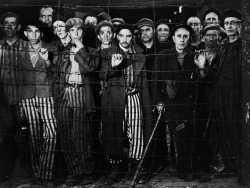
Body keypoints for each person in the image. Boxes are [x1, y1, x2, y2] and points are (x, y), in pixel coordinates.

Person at [99, 23, 153, 184]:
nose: (125, 39)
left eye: (128, 36)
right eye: (121, 35)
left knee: (136, 131)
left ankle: (136, 166)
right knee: (114, 130)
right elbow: (101, 75)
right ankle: (116, 168)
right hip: (115, 98)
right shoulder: (107, 53)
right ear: (116, 36)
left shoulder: (140, 54)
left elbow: (144, 82)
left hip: (134, 96)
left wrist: (147, 104)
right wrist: (113, 67)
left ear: (133, 37)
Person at [195, 9, 243, 178]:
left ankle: (243, 169)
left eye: (234, 22)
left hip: (237, 96)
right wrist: (202, 68)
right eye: (227, 23)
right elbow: (214, 74)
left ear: (241, 25)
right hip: (220, 96)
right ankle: (230, 167)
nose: (229, 26)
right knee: (223, 132)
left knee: (238, 132)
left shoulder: (244, 47)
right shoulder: (222, 47)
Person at [53, 17, 99, 186]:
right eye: (72, 30)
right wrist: (58, 96)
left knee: (82, 136)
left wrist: (80, 50)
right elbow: (56, 75)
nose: (75, 33)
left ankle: (88, 170)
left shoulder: (92, 51)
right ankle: (75, 171)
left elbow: (90, 69)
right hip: (65, 92)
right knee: (65, 135)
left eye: (79, 30)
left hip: (81, 93)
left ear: (83, 32)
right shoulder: (63, 51)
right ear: (69, 32)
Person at [151, 24, 198, 181]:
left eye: (185, 36)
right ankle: (184, 170)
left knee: (187, 136)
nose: (182, 40)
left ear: (189, 39)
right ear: (173, 38)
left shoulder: (193, 55)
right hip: (170, 104)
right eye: (179, 36)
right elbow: (155, 81)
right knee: (180, 134)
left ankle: (184, 167)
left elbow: (198, 82)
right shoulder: (163, 55)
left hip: (188, 105)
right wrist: (158, 101)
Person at [18, 17, 57, 187]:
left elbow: (56, 71)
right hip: (26, 96)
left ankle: (45, 172)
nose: (33, 34)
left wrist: (47, 59)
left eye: (36, 31)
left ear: (41, 33)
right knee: (33, 135)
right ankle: (36, 172)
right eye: (30, 31)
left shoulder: (51, 47)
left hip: (46, 93)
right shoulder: (18, 50)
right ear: (25, 33)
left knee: (52, 133)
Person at [0, 12, 29, 180]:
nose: (10, 27)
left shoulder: (26, 46)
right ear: (2, 26)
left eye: (13, 24)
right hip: (3, 100)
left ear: (18, 27)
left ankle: (29, 169)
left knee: (27, 136)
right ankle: (6, 171)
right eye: (6, 23)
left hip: (23, 99)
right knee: (6, 137)